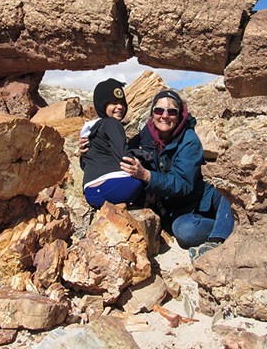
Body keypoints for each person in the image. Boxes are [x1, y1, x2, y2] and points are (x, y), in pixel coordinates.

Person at [119, 89, 234, 260]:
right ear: (152, 113)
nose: (164, 116)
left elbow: (183, 184)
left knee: (230, 193)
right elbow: (120, 154)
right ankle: (227, 224)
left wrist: (146, 175)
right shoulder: (144, 137)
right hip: (179, 209)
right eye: (159, 110)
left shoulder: (189, 140)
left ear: (180, 115)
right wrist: (90, 151)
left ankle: (219, 237)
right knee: (185, 232)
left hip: (203, 197)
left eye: (172, 111)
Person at [80, 78, 144, 209]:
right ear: (102, 105)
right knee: (144, 176)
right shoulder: (112, 123)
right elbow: (123, 157)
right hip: (113, 188)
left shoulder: (92, 130)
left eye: (122, 103)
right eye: (113, 103)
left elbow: (84, 165)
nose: (119, 107)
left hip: (91, 194)